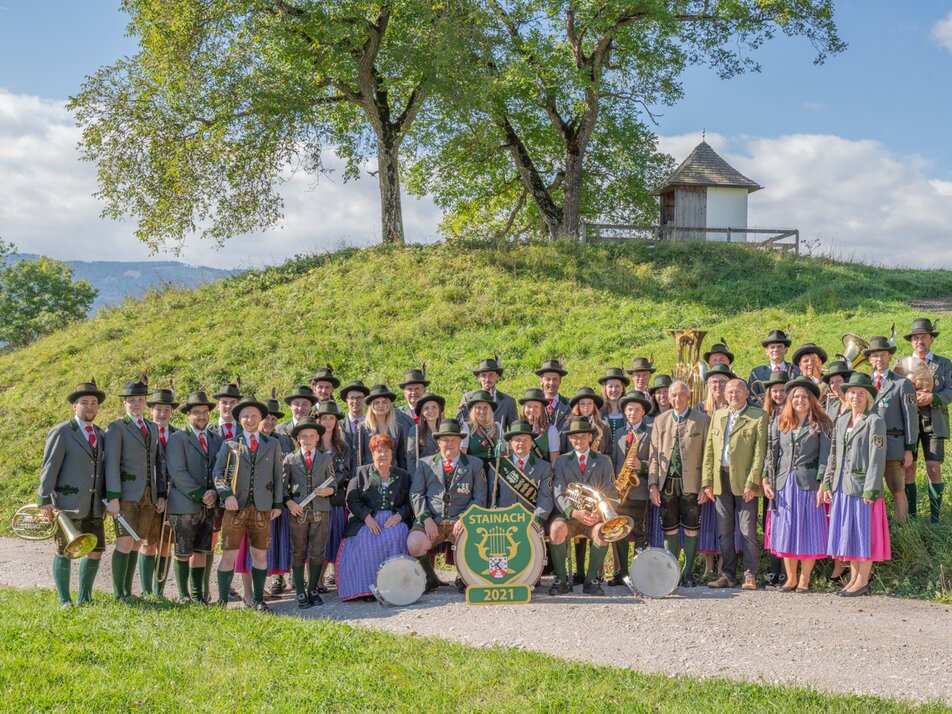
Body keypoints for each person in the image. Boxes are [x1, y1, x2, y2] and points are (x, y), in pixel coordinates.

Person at [37, 381, 108, 608]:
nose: (89, 407)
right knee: (63, 551)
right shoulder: (63, 431)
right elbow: (49, 467)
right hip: (67, 504)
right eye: (84, 403)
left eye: (93, 403)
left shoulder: (101, 433)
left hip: (94, 503)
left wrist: (106, 499)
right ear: (74, 406)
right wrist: (45, 500)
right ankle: (64, 600)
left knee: (96, 550)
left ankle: (85, 598)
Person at [212, 396, 284, 612]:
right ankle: (223, 601)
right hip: (236, 508)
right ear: (239, 419)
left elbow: (278, 476)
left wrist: (277, 504)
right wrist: (226, 495)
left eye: (254, 416)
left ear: (261, 418)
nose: (250, 420)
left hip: (262, 508)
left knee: (260, 554)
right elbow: (218, 473)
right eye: (245, 416)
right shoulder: (230, 444)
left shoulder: (272, 444)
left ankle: (259, 599)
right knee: (229, 554)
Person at [822, 373, 891, 596]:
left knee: (863, 533)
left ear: (868, 397)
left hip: (862, 487)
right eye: (852, 392)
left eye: (861, 393)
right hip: (842, 486)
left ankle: (862, 581)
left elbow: (877, 457)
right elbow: (833, 453)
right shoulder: (841, 421)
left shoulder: (875, 421)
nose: (856, 397)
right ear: (846, 395)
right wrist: (828, 482)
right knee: (849, 533)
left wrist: (871, 488)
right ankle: (852, 579)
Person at [761, 377, 832, 592]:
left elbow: (826, 457)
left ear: (811, 400)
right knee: (787, 530)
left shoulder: (822, 424)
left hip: (808, 484)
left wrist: (823, 484)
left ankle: (804, 578)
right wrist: (765, 478)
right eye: (796, 397)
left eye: (804, 397)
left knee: (807, 530)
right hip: (783, 484)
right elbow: (771, 454)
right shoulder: (780, 422)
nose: (799, 400)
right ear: (790, 400)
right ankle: (790, 578)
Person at [702, 379, 767, 590]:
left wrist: (752, 482)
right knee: (724, 531)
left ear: (747, 393)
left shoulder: (758, 416)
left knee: (747, 529)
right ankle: (727, 575)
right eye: (730, 391)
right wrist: (707, 481)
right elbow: (710, 450)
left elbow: (760, 453)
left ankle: (750, 574)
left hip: (745, 482)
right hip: (721, 479)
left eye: (738, 391)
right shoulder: (719, 415)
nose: (733, 395)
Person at [408, 419, 487, 592]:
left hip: (460, 520)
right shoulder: (424, 463)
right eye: (445, 440)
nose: (449, 443)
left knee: (477, 542)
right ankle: (431, 577)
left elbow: (480, 499)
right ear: (438, 442)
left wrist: (464, 519)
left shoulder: (475, 464)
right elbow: (416, 494)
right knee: (414, 543)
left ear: (460, 441)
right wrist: (425, 518)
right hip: (432, 520)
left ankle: (464, 576)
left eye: (454, 440)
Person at [104, 379, 164, 601]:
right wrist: (113, 496)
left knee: (138, 542)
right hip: (126, 494)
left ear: (145, 402)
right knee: (124, 541)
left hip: (148, 495)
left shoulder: (153, 428)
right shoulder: (117, 427)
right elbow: (110, 463)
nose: (137, 404)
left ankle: (129, 591)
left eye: (140, 400)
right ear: (124, 404)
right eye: (132, 401)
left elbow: (159, 463)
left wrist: (160, 494)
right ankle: (119, 592)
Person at [648, 381, 710, 588]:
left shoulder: (702, 420)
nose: (676, 399)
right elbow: (654, 455)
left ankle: (688, 571)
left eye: (681, 395)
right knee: (669, 528)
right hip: (667, 483)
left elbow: (707, 456)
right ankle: (672, 571)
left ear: (689, 396)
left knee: (691, 528)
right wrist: (653, 485)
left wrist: (705, 484)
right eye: (673, 395)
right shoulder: (660, 420)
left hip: (691, 482)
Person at [337, 434, 413, 602]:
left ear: (392, 453)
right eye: (378, 451)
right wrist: (366, 517)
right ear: (372, 454)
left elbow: (410, 502)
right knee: (365, 538)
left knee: (399, 534)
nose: (383, 455)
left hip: (393, 519)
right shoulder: (361, 473)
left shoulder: (403, 476)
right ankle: (367, 588)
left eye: (387, 451)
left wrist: (400, 516)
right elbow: (352, 499)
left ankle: (394, 586)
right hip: (367, 519)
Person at [547, 417, 618, 596]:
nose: (579, 441)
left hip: (594, 517)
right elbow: (559, 492)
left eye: (583, 436)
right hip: (569, 515)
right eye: (575, 437)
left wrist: (598, 513)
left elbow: (610, 492)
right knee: (556, 530)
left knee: (604, 532)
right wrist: (573, 512)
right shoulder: (562, 461)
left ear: (590, 437)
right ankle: (561, 580)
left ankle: (591, 580)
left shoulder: (604, 461)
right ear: (570, 440)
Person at [165, 391, 222, 604]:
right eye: (197, 412)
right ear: (188, 415)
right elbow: (178, 472)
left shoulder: (216, 439)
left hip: (209, 506)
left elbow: (221, 469)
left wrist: (215, 493)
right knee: (182, 551)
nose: (202, 416)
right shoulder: (177, 439)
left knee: (201, 551)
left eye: (205, 412)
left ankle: (198, 595)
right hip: (184, 505)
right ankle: (183, 595)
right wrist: (201, 494)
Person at [903, 318, 951, 524]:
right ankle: (912, 515)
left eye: (923, 337)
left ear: (931, 339)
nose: (919, 341)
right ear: (911, 342)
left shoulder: (944, 364)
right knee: (909, 467)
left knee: (933, 467)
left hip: (934, 419)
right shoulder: (902, 365)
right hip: (909, 423)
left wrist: (934, 398)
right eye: (915, 338)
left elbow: (951, 390)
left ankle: (934, 519)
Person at [864, 335, 918, 523]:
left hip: (893, 446)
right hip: (869, 448)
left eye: (882, 355)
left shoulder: (902, 383)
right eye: (875, 356)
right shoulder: (864, 384)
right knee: (870, 491)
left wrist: (909, 449)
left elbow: (911, 418)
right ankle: (877, 530)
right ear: (870, 359)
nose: (879, 359)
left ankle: (902, 529)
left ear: (889, 357)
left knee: (897, 489)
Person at [282, 417, 334, 608]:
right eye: (303, 436)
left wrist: (329, 490)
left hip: (321, 510)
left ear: (318, 437)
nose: (308, 439)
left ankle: (313, 588)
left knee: (317, 551)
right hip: (298, 511)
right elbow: (282, 487)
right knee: (298, 550)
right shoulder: (290, 459)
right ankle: (300, 592)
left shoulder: (325, 457)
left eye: (312, 435)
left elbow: (333, 482)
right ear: (298, 439)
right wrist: (289, 503)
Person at [609, 390, 652, 585]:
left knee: (640, 531)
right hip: (620, 491)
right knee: (620, 531)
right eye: (629, 409)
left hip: (639, 490)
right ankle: (622, 572)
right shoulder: (618, 433)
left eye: (636, 409)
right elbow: (615, 460)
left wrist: (641, 465)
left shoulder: (650, 432)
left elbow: (657, 461)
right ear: (624, 412)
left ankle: (638, 572)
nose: (632, 413)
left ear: (643, 411)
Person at [143, 385, 179, 598]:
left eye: (166, 409)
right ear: (151, 410)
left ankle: (159, 591)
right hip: (148, 496)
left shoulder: (177, 435)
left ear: (171, 412)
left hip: (172, 498)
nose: (163, 414)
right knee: (148, 544)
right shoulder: (144, 432)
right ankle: (147, 591)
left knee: (166, 545)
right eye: (158, 409)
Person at [316, 400, 353, 593]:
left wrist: (331, 486)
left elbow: (344, 471)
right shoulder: (312, 444)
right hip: (315, 499)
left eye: (331, 418)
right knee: (317, 541)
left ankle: (333, 577)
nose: (328, 422)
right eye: (324, 418)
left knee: (333, 539)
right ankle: (316, 580)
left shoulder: (343, 447)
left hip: (335, 498)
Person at [488, 420, 554, 520]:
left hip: (530, 520)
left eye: (525, 440)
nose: (521, 443)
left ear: (531, 443)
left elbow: (545, 499)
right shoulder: (498, 465)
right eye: (517, 440)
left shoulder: (544, 467)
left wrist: (535, 520)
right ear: (510, 443)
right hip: (503, 521)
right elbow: (491, 498)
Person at [760, 369, 789, 587]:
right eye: (775, 391)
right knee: (769, 522)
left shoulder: (790, 415)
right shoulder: (764, 415)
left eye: (782, 390)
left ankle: (784, 572)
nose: (778, 394)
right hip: (765, 473)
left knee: (783, 522)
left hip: (783, 473)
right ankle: (773, 568)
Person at [456, 357, 518, 429]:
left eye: (491, 375)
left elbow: (515, 431)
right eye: (483, 375)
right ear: (479, 377)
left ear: (497, 376)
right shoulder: (468, 398)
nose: (487, 379)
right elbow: (458, 426)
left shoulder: (509, 402)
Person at [359, 384, 408, 470]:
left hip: (393, 475)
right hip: (370, 475)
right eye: (376, 402)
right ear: (371, 406)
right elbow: (358, 458)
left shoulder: (398, 428)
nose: (381, 405)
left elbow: (401, 458)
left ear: (389, 405)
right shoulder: (363, 428)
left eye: (384, 402)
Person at [748, 329, 800, 403]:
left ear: (786, 350)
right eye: (772, 347)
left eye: (779, 346)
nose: (775, 349)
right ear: (766, 351)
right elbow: (751, 397)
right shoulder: (756, 373)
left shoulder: (797, 370)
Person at [516, 388, 561, 463]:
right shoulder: (516, 429)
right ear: (524, 408)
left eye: (536, 406)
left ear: (542, 410)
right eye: (529, 406)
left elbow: (554, 461)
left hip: (543, 473)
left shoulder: (551, 430)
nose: (532, 410)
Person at [406, 392, 444, 477]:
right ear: (422, 412)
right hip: (424, 475)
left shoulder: (446, 429)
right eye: (426, 408)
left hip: (444, 475)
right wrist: (414, 479)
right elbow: (411, 458)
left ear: (439, 410)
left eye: (434, 407)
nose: (430, 411)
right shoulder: (415, 430)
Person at [461, 390, 503, 465]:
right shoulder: (467, 427)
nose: (482, 411)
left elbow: (503, 453)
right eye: (478, 408)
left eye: (485, 408)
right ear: (474, 410)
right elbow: (462, 455)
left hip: (494, 469)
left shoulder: (497, 427)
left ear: (490, 410)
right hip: (474, 468)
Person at [340, 380, 370, 468]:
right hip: (344, 477)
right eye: (352, 397)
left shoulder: (372, 426)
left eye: (359, 398)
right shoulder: (338, 426)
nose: (355, 401)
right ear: (346, 400)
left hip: (366, 475)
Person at [536, 358, 571, 430]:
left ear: (560, 381)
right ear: (541, 381)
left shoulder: (570, 405)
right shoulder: (533, 406)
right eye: (548, 379)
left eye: (555, 379)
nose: (551, 383)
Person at [598, 367, 631, 444]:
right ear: (605, 388)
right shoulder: (598, 410)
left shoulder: (629, 410)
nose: (614, 390)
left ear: (622, 388)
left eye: (617, 386)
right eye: (610, 386)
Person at [396, 365, 430, 433]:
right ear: (404, 393)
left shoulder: (433, 411)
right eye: (410, 389)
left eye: (417, 388)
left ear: (424, 390)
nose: (413, 392)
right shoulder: (396, 414)